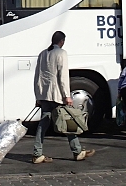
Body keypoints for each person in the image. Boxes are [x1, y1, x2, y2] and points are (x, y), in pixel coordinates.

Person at [31, 31, 95, 164]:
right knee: (67, 120)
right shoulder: (61, 53)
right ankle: (77, 151)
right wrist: (67, 95)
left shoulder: (43, 54)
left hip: (44, 94)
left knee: (43, 124)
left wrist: (38, 96)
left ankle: (37, 153)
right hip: (56, 94)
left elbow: (38, 76)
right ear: (62, 41)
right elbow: (63, 76)